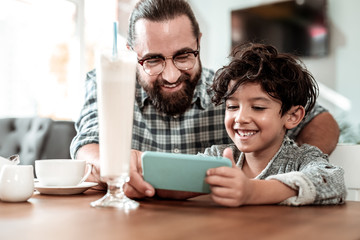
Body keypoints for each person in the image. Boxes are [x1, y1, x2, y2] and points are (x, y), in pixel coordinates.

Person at [70, 0, 340, 196]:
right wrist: (116, 167)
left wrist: (275, 176)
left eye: (184, 55)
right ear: (132, 53)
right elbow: (88, 144)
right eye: (152, 60)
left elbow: (321, 121)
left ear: (199, 42)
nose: (172, 74)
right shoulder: (109, 80)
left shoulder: (232, 87)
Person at [203, 43, 346, 206]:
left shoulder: (301, 159)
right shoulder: (218, 157)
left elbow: (333, 181)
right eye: (232, 107)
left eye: (258, 108)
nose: (240, 118)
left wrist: (252, 191)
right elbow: (177, 178)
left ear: (292, 116)